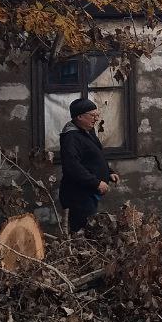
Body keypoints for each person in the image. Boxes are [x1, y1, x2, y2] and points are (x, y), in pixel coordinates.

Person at [59, 97, 120, 233]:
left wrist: (109, 172)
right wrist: (96, 183)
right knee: (82, 233)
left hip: (88, 193)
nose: (96, 119)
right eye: (92, 115)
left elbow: (95, 156)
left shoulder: (87, 132)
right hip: (78, 196)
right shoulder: (71, 138)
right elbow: (72, 167)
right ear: (79, 116)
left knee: (89, 231)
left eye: (97, 115)